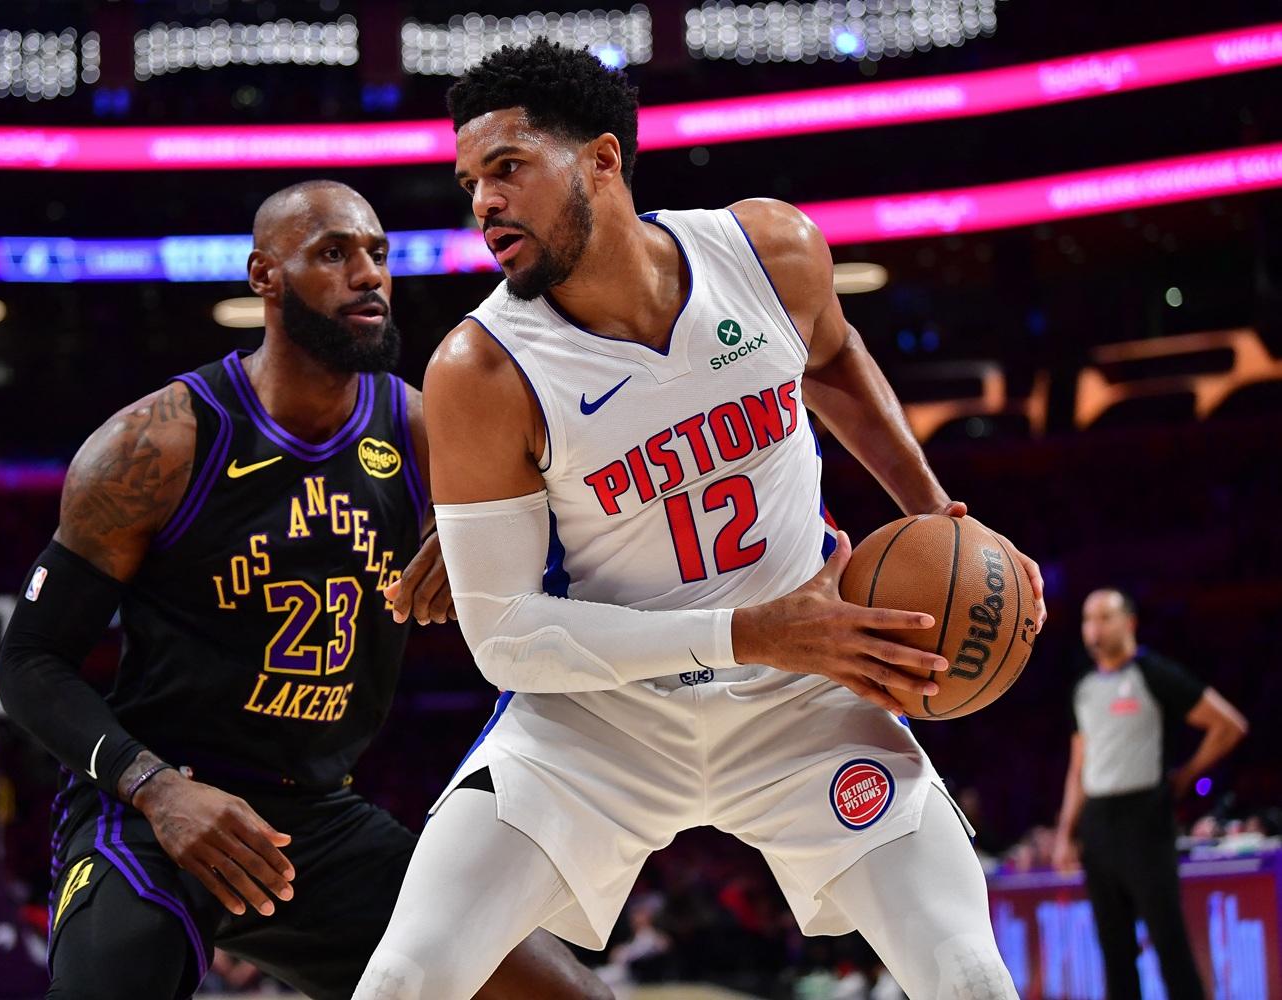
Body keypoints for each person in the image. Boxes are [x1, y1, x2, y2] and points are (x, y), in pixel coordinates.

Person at [353, 39, 1046, 1000]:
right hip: (601, 721)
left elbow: (832, 357)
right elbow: (504, 638)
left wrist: (943, 521)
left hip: (808, 696)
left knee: (968, 972)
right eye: (471, 182)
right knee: (406, 976)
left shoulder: (768, 251)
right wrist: (751, 632)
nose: (484, 204)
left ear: (603, 158)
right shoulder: (479, 369)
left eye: (507, 168)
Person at [0, 181, 608, 1000]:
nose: (369, 274)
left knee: (571, 996)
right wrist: (156, 788)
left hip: (317, 817)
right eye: (333, 253)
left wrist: (494, 546)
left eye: (378, 253)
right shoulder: (158, 445)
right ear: (264, 276)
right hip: (154, 804)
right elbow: (30, 661)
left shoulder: (422, 431)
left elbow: (577, 547)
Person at [1052, 588, 1248, 1000]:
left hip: (1145, 819)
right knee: (1115, 951)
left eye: (1105, 617)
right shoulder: (1083, 688)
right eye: (1088, 619)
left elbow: (1229, 725)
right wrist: (1065, 832)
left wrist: (1185, 776)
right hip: (1098, 824)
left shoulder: (1154, 674)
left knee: (1168, 943)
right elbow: (1078, 768)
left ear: (1130, 623)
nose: (1094, 629)